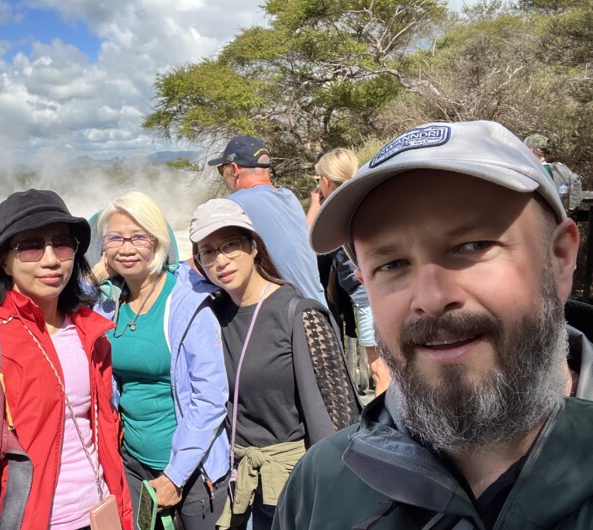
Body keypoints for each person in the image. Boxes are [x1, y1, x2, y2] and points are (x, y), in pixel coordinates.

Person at [275, 120, 593, 529]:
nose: (430, 298)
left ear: (560, 257)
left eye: (473, 246)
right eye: (391, 264)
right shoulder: (322, 487)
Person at [0, 189, 132, 529]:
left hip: (100, 513)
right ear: (4, 261)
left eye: (62, 243)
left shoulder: (89, 331)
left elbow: (103, 436)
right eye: (31, 246)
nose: (51, 259)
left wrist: (124, 516)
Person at [188, 198, 361, 530]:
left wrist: (339, 493)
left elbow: (341, 417)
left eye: (230, 245)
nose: (220, 260)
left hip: (294, 486)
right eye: (207, 252)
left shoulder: (299, 313)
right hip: (237, 484)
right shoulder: (210, 315)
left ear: (253, 246)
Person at [93, 191, 230, 530]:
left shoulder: (187, 302)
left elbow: (211, 398)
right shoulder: (109, 302)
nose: (126, 248)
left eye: (139, 237)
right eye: (115, 238)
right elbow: (55, 306)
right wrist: (95, 275)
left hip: (191, 472)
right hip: (134, 463)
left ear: (157, 241)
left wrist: (175, 475)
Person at [306, 147, 391, 396]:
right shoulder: (364, 199)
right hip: (381, 293)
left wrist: (314, 203)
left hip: (367, 299)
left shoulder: (338, 209)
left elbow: (309, 240)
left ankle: (383, 431)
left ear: (325, 180)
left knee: (380, 370)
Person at [207, 135, 327, 308]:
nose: (222, 176)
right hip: (320, 310)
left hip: (292, 319)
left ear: (234, 169)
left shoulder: (234, 204)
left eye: (221, 170)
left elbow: (210, 254)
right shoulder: (288, 196)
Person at [524, 133, 584, 214]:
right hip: (560, 217)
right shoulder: (561, 170)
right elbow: (576, 185)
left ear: (531, 150)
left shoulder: (532, 172)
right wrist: (571, 210)